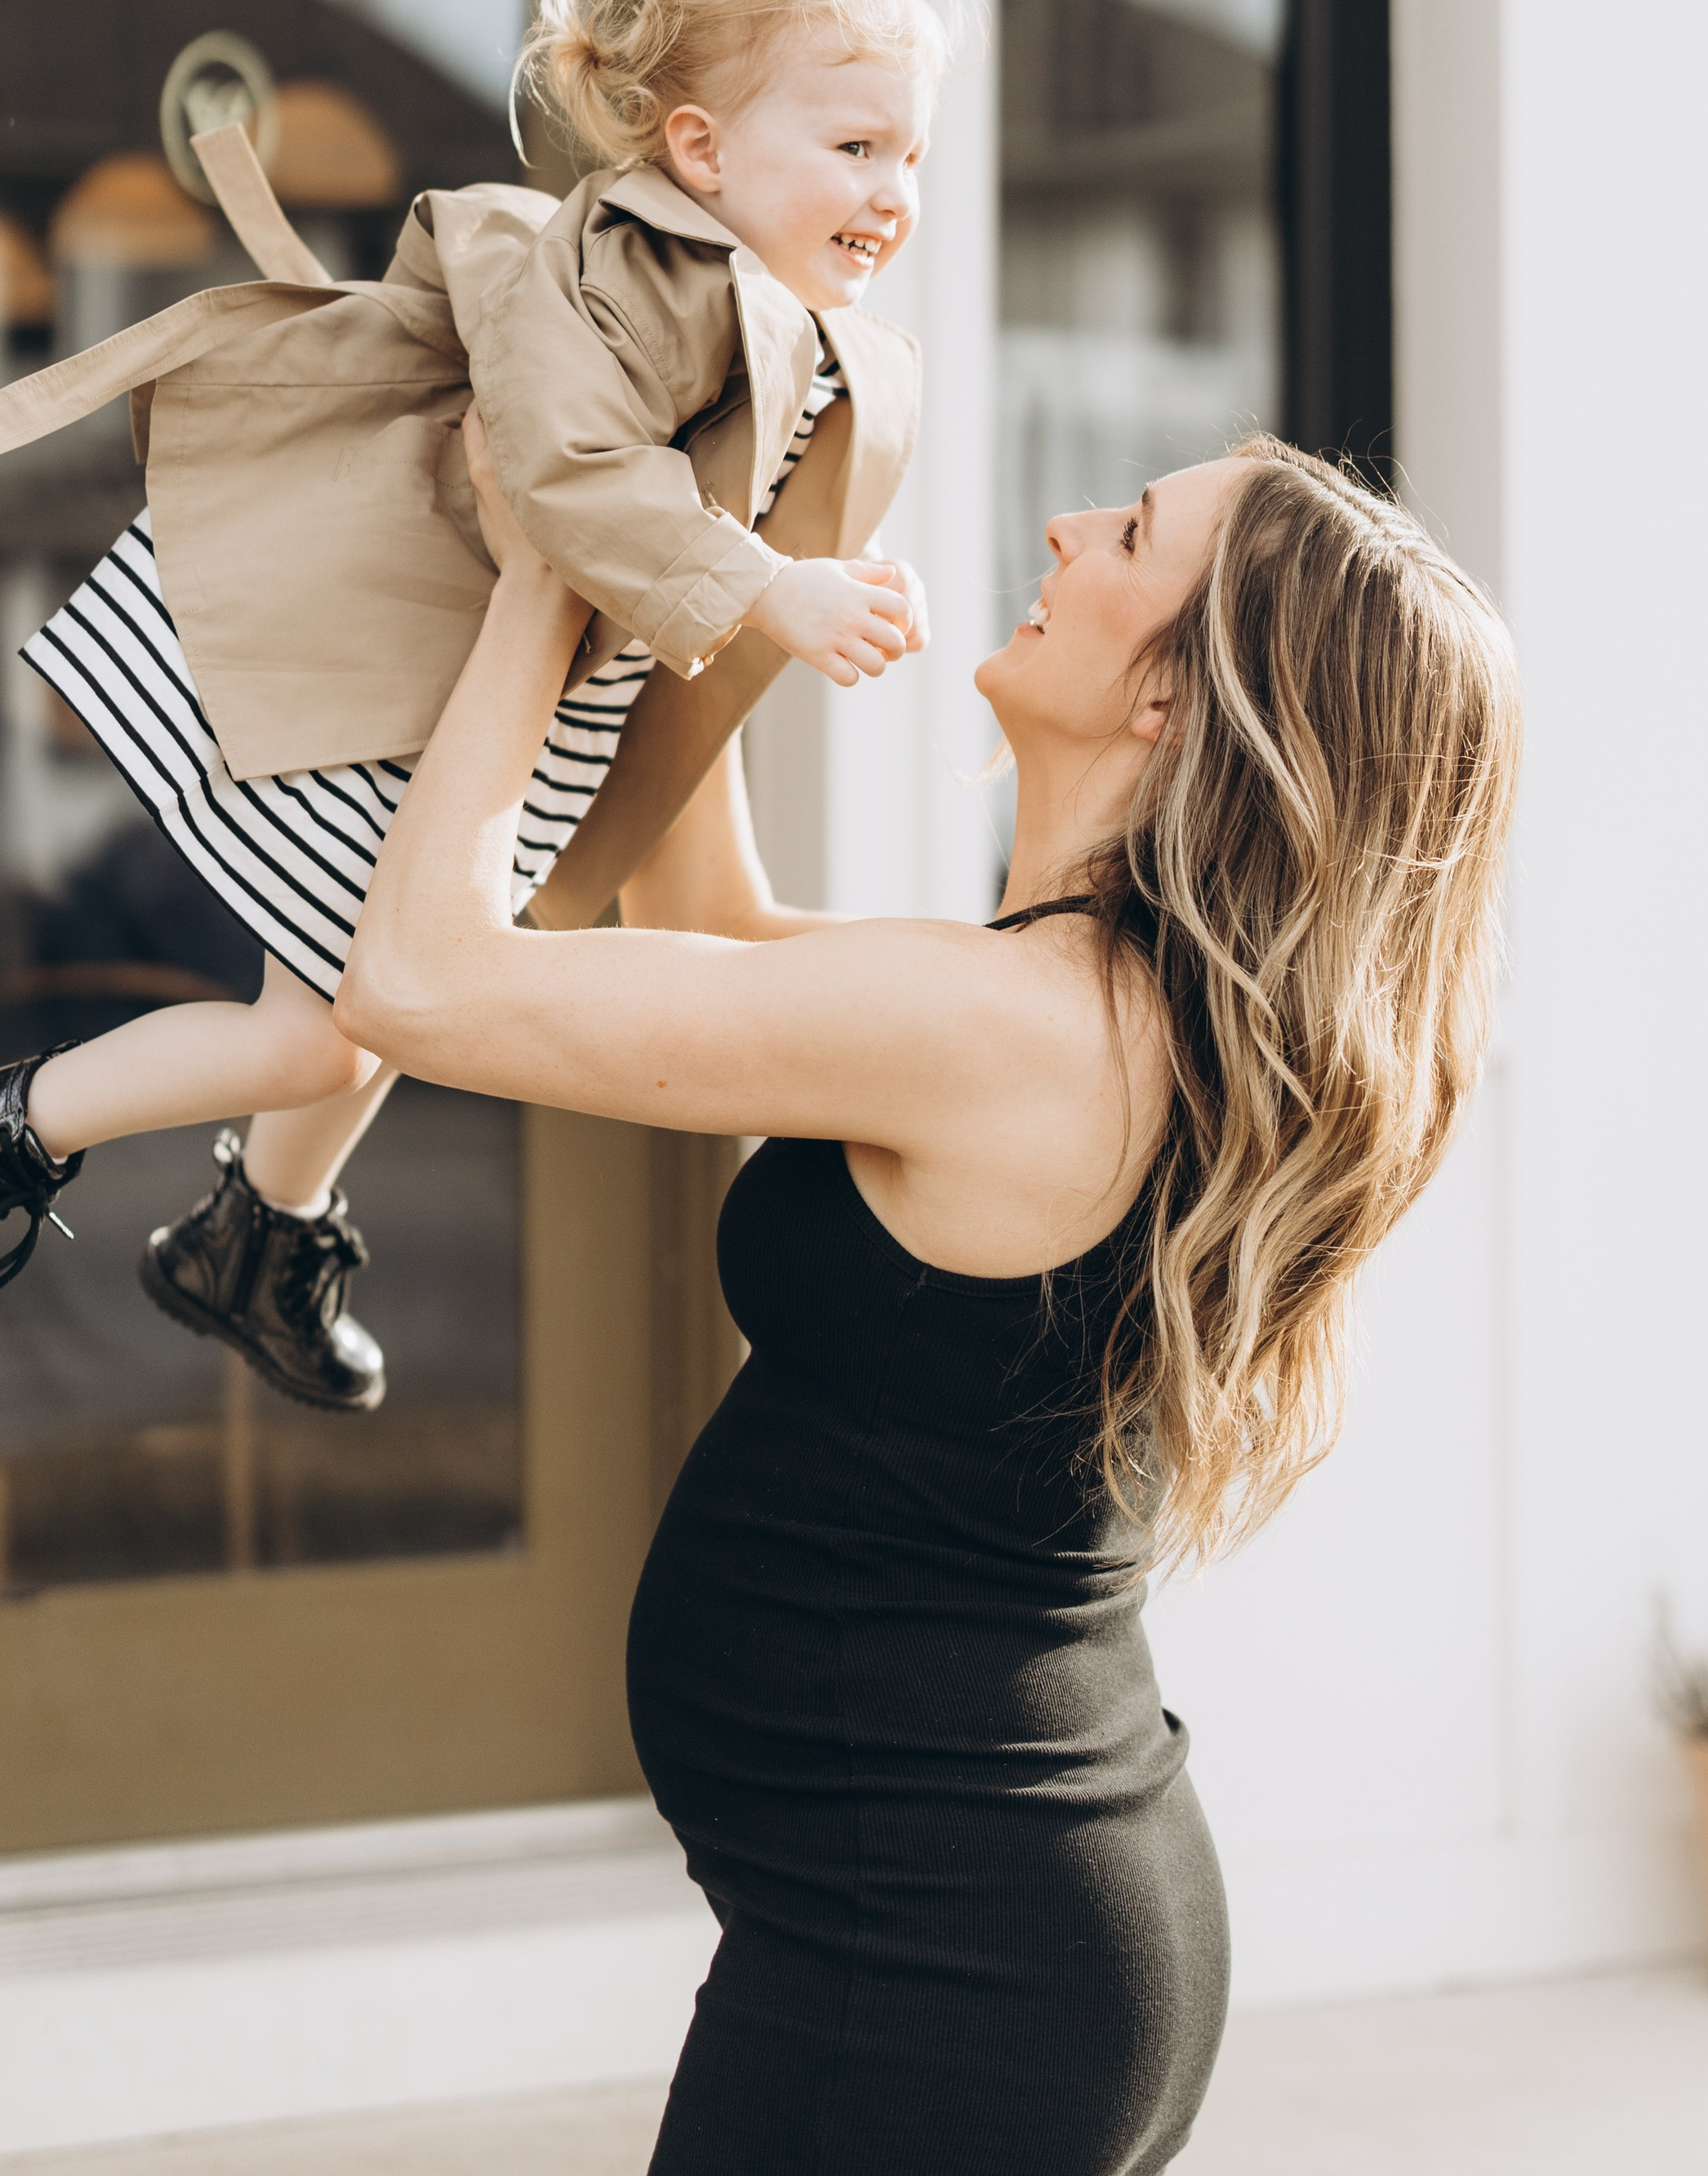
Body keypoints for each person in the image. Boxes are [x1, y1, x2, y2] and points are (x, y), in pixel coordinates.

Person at [331, 415, 1522, 2176]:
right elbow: (707, 913)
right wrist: (694, 555)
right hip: (1002, 1929)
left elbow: (419, 988)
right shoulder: (1069, 1006)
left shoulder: (1018, 1031)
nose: (1059, 530)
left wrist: (536, 573)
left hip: (944, 1961)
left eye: (1125, 534)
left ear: (1172, 703)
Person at [0, 0, 938, 1396]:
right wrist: (773, 587)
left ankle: (257, 1236)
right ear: (701, 150)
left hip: (519, 680)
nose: (892, 192)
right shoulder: (638, 268)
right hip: (405, 660)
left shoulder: (764, 301)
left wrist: (802, 575)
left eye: (911, 157)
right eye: (856, 145)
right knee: (335, 1028)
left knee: (381, 986)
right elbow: (561, 462)